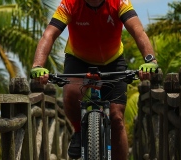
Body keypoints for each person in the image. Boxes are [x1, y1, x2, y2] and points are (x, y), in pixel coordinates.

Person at [30, 0, 158, 159]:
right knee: (70, 93)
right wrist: (38, 66)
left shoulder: (118, 2)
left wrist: (150, 60)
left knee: (116, 118)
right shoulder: (70, 4)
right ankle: (78, 131)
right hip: (78, 59)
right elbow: (48, 34)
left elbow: (138, 31)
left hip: (113, 60)